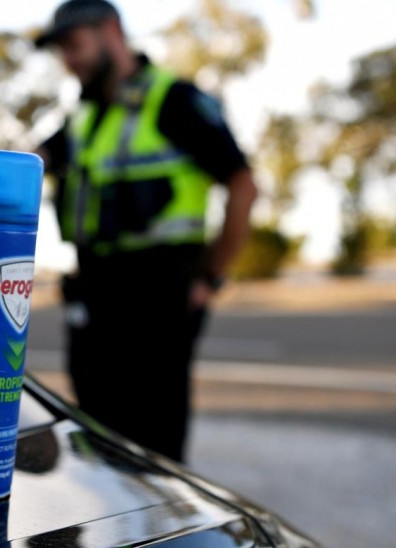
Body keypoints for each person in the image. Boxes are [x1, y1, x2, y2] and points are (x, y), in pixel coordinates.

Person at [33, 0, 258, 463]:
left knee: (156, 453)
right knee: (98, 444)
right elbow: (27, 163)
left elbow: (243, 184)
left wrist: (210, 276)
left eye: (73, 45)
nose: (68, 61)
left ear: (111, 30)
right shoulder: (82, 118)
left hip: (159, 296)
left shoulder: (174, 100)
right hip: (95, 295)